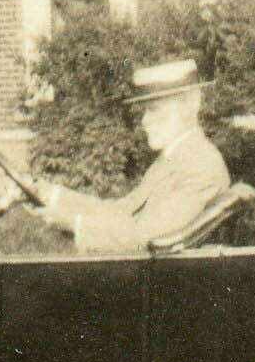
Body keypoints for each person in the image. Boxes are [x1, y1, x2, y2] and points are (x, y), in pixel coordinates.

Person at [13, 57, 230, 254]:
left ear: (190, 106)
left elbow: (144, 235)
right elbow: (122, 211)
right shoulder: (174, 160)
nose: (144, 121)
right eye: (145, 111)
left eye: (154, 109)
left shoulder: (202, 166)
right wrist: (49, 194)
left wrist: (73, 222)